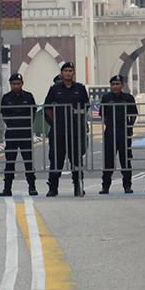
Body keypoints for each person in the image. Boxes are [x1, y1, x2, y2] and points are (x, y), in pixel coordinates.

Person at [44, 62, 90, 197]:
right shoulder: (54, 89)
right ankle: (53, 187)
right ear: (61, 73)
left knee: (76, 160)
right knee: (56, 159)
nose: (68, 73)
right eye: (66, 70)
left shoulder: (80, 89)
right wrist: (55, 122)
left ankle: (78, 186)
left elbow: (86, 107)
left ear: (73, 73)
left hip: (75, 130)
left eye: (70, 70)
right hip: (59, 131)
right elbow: (48, 108)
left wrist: (80, 119)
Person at [0, 73, 38, 197]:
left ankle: (32, 187)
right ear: (10, 84)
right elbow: (4, 114)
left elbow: (33, 112)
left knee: (28, 161)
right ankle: (7, 189)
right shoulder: (6, 98)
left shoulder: (28, 96)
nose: (16, 86)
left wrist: (26, 124)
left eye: (18, 83)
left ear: (22, 84)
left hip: (25, 132)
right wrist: (13, 123)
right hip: (12, 133)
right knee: (10, 161)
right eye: (14, 84)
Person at [99, 74, 138, 194]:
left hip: (123, 131)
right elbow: (103, 114)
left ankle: (127, 186)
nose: (115, 86)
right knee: (108, 161)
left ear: (122, 85)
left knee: (125, 160)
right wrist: (109, 125)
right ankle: (105, 186)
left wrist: (130, 126)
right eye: (113, 84)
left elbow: (133, 114)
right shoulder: (106, 98)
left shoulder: (128, 98)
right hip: (110, 131)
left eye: (118, 84)